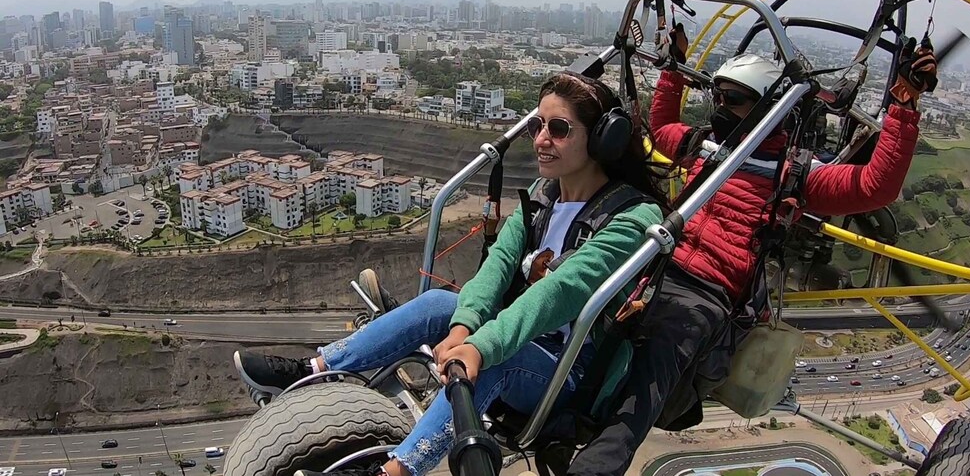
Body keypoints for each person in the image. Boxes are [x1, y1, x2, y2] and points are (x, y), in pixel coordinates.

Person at [233, 71, 667, 476]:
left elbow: (561, 291)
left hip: (567, 369)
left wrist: (480, 346)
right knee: (441, 303)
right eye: (538, 126)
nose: (541, 140)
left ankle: (395, 471)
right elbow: (497, 264)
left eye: (559, 129)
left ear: (602, 141)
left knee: (498, 357)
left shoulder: (630, 217)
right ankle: (316, 367)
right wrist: (463, 327)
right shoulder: (545, 196)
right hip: (521, 336)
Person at [565, 28, 935, 476]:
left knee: (652, 367)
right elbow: (661, 129)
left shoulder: (794, 174)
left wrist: (903, 104)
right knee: (586, 307)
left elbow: (874, 186)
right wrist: (673, 69)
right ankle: (555, 410)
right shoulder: (707, 148)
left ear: (766, 108)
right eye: (718, 97)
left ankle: (595, 465)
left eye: (734, 99)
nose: (722, 108)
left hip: (710, 292)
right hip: (661, 264)